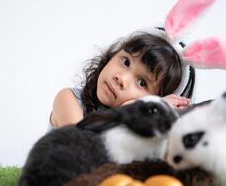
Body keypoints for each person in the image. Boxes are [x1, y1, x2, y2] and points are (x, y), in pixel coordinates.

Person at [50, 31, 195, 128]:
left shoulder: (136, 137)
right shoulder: (69, 99)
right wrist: (129, 112)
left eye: (142, 83)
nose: (122, 79)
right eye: (126, 62)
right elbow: (81, 152)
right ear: (111, 56)